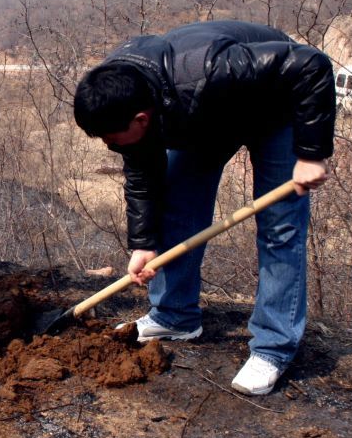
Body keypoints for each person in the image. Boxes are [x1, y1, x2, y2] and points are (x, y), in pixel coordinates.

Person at [73, 20, 334, 395]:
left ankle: (274, 349)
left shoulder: (211, 69)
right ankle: (175, 316)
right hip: (203, 114)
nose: (110, 145)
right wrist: (143, 244)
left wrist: (312, 153)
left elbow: (312, 65)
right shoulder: (121, 92)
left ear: (141, 120)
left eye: (112, 138)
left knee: (280, 228)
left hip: (275, 101)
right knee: (178, 205)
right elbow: (143, 175)